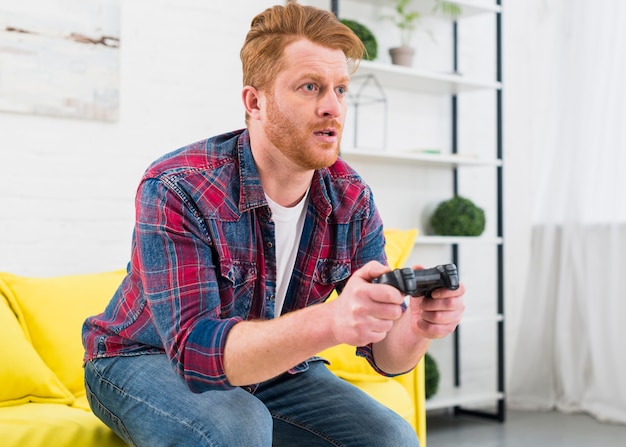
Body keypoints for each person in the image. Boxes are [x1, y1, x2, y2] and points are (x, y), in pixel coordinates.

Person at [82, 2, 465, 446]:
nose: (332, 107)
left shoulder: (350, 197)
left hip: (273, 367)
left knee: (390, 438)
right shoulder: (178, 187)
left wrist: (416, 327)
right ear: (255, 101)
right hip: (142, 360)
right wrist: (333, 319)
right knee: (237, 427)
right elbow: (195, 352)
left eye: (340, 89)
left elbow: (386, 357)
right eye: (310, 87)